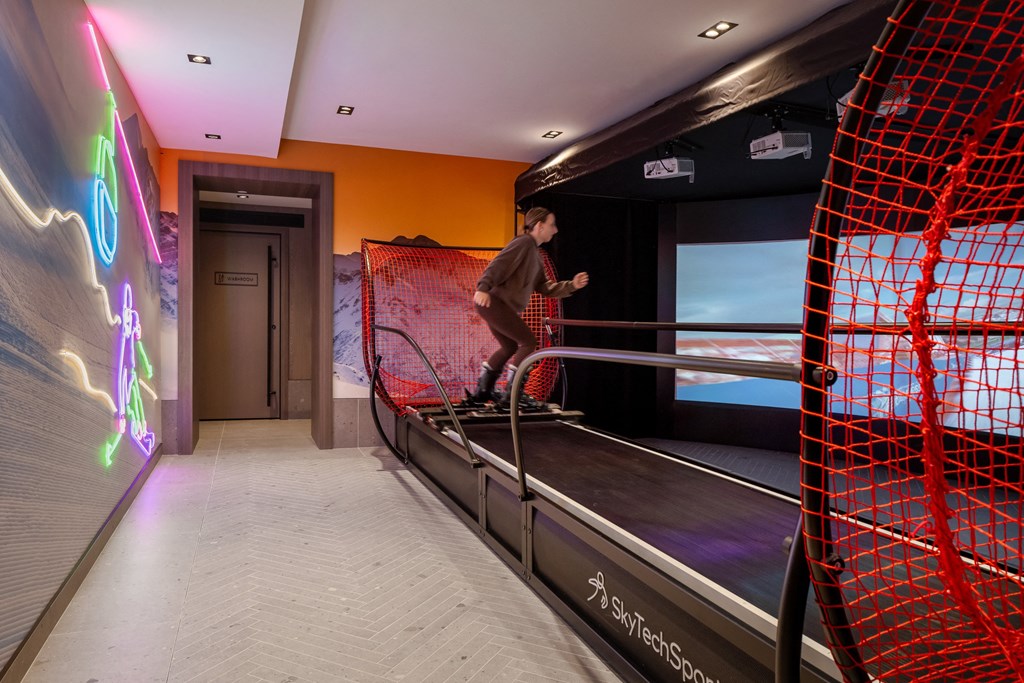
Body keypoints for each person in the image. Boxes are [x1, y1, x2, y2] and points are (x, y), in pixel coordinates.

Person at [470, 207, 589, 407]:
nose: (555, 230)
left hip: (496, 305)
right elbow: (498, 264)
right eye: (552, 225)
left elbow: (545, 287)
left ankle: (483, 391)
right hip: (493, 302)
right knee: (528, 342)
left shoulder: (535, 254)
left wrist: (572, 285)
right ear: (540, 226)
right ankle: (512, 394)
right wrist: (482, 287)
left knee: (509, 346)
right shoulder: (523, 242)